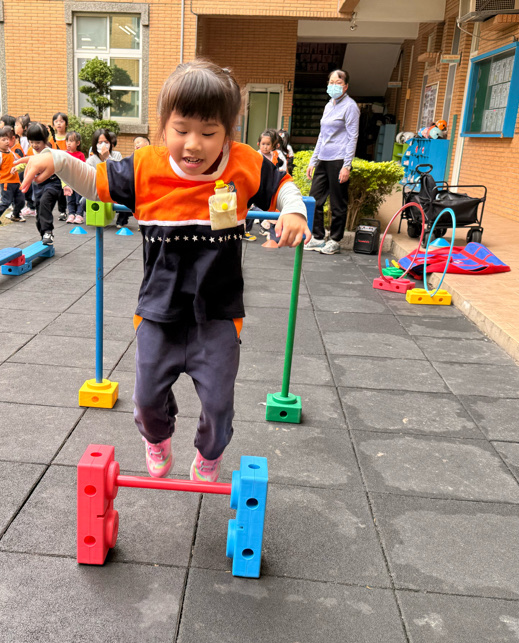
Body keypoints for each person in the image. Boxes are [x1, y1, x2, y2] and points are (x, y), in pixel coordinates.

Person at [22, 59, 309, 482]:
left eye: (209, 133)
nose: (193, 145)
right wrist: (58, 159)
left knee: (219, 405)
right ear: (163, 126)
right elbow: (95, 181)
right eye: (181, 130)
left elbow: (282, 185)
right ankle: (157, 438)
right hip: (159, 310)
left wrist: (294, 210)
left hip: (218, 314)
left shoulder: (243, 164)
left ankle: (210, 452)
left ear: (228, 132)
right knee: (146, 399)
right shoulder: (146, 167)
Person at [305, 69, 359, 255]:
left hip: (338, 160)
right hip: (323, 159)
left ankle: (335, 240)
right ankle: (318, 237)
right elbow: (322, 135)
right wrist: (313, 160)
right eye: (331, 82)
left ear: (346, 86)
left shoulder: (350, 106)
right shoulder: (329, 105)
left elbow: (352, 137)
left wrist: (347, 165)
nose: (334, 86)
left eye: (338, 83)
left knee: (337, 203)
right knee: (314, 199)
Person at [86, 128, 128, 228]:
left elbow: (120, 173)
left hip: (115, 189)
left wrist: (107, 158)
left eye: (106, 142)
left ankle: (121, 220)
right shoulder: (91, 160)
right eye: (100, 142)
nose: (103, 145)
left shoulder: (116, 155)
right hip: (99, 190)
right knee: (84, 202)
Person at [0, 128, 25, 225]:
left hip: (16, 181)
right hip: (6, 183)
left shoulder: (11, 152)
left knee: (21, 200)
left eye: (7, 139)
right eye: (3, 140)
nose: (7, 142)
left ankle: (15, 215)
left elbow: (18, 160)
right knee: (6, 201)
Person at [64, 131, 86, 224]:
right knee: (70, 199)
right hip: (69, 181)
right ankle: (71, 214)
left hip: (78, 181)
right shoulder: (65, 154)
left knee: (79, 199)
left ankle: (79, 215)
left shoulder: (80, 155)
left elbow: (83, 168)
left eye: (71, 141)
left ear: (78, 143)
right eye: (67, 141)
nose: (68, 143)